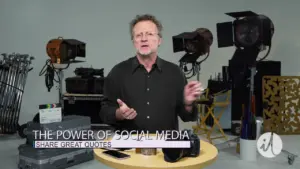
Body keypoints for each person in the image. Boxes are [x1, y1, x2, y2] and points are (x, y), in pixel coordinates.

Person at [100, 14, 202, 133]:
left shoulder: (175, 73)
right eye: (138, 35)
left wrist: (188, 103)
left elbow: (187, 117)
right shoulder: (118, 72)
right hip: (130, 146)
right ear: (134, 41)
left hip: (166, 147)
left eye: (149, 34)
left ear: (159, 40)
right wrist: (119, 114)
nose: (144, 39)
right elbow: (104, 112)